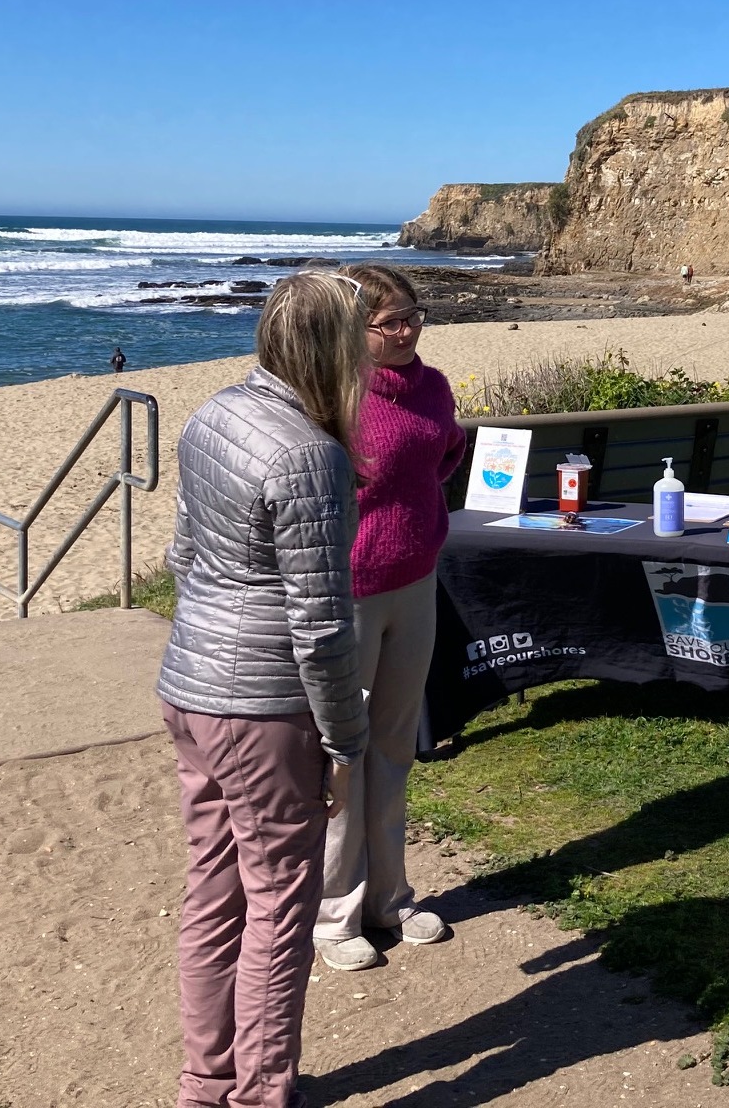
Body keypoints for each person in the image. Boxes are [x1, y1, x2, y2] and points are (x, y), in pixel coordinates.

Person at [157, 272, 370, 1108]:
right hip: (262, 704)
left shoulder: (214, 414)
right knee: (280, 907)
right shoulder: (309, 454)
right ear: (336, 350)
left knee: (214, 891)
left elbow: (183, 555)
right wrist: (345, 741)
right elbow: (321, 626)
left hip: (191, 685)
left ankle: (206, 1086)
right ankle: (259, 1094)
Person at [313, 265, 467, 972]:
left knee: (394, 747)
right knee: (342, 757)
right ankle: (333, 914)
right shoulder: (332, 396)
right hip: (349, 592)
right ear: (355, 329)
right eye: (388, 321)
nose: (404, 330)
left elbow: (443, 457)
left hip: (417, 580)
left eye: (412, 315)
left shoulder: (433, 386)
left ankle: (390, 898)